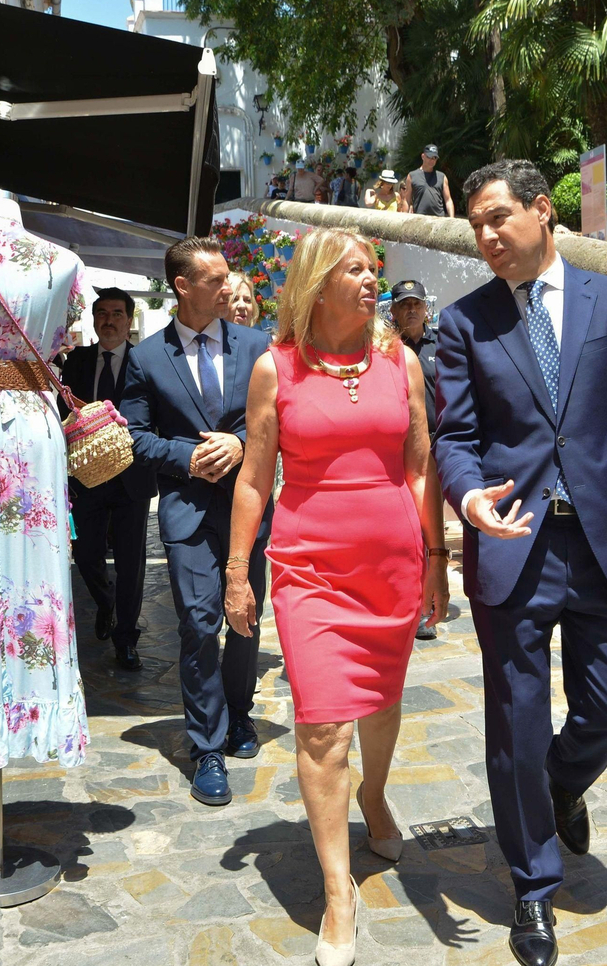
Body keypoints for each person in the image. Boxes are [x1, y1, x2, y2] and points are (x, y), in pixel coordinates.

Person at [434, 159, 607, 966]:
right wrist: (469, 500)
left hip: (603, 541)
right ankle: (532, 888)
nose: (486, 236)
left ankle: (564, 783)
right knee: (515, 723)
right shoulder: (465, 323)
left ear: (543, 212)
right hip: (513, 545)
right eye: (476, 225)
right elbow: (454, 439)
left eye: (498, 217)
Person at [226, 228, 449, 966]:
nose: (371, 282)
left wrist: (437, 559)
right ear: (318, 283)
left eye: (373, 271)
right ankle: (337, 890)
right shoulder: (275, 368)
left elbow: (420, 466)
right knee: (323, 726)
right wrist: (236, 571)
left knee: (383, 704)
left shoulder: (400, 361)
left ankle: (374, 797)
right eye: (354, 270)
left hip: (390, 566)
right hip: (310, 570)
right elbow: (256, 477)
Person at [121, 237, 273, 806]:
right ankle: (206, 746)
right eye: (215, 280)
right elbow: (134, 438)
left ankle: (240, 716)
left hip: (248, 508)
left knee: (245, 617)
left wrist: (237, 444)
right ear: (182, 287)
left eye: (228, 278)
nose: (228, 288)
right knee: (198, 624)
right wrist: (186, 457)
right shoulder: (146, 359)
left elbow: (273, 423)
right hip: (185, 510)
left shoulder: (257, 345)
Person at [58, 286, 156, 669]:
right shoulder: (76, 362)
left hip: (132, 478)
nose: (109, 320)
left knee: (132, 562)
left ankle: (127, 638)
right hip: (87, 477)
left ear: (129, 320)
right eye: (102, 313)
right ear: (94, 319)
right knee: (85, 552)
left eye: (117, 313)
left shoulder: (146, 360)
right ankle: (105, 600)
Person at [389, 278, 441, 641]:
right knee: (418, 526)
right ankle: (421, 606)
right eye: (404, 304)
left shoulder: (445, 345)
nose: (411, 309)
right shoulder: (385, 349)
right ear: (392, 310)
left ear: (425, 308)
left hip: (446, 444)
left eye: (416, 304)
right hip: (408, 448)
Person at [402, 144, 454, 217]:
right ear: (423, 156)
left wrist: (451, 218)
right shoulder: (412, 176)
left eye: (434, 158)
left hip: (439, 219)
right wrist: (404, 218)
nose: (432, 160)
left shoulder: (442, 176)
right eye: (429, 157)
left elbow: (448, 200)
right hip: (419, 219)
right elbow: (406, 200)